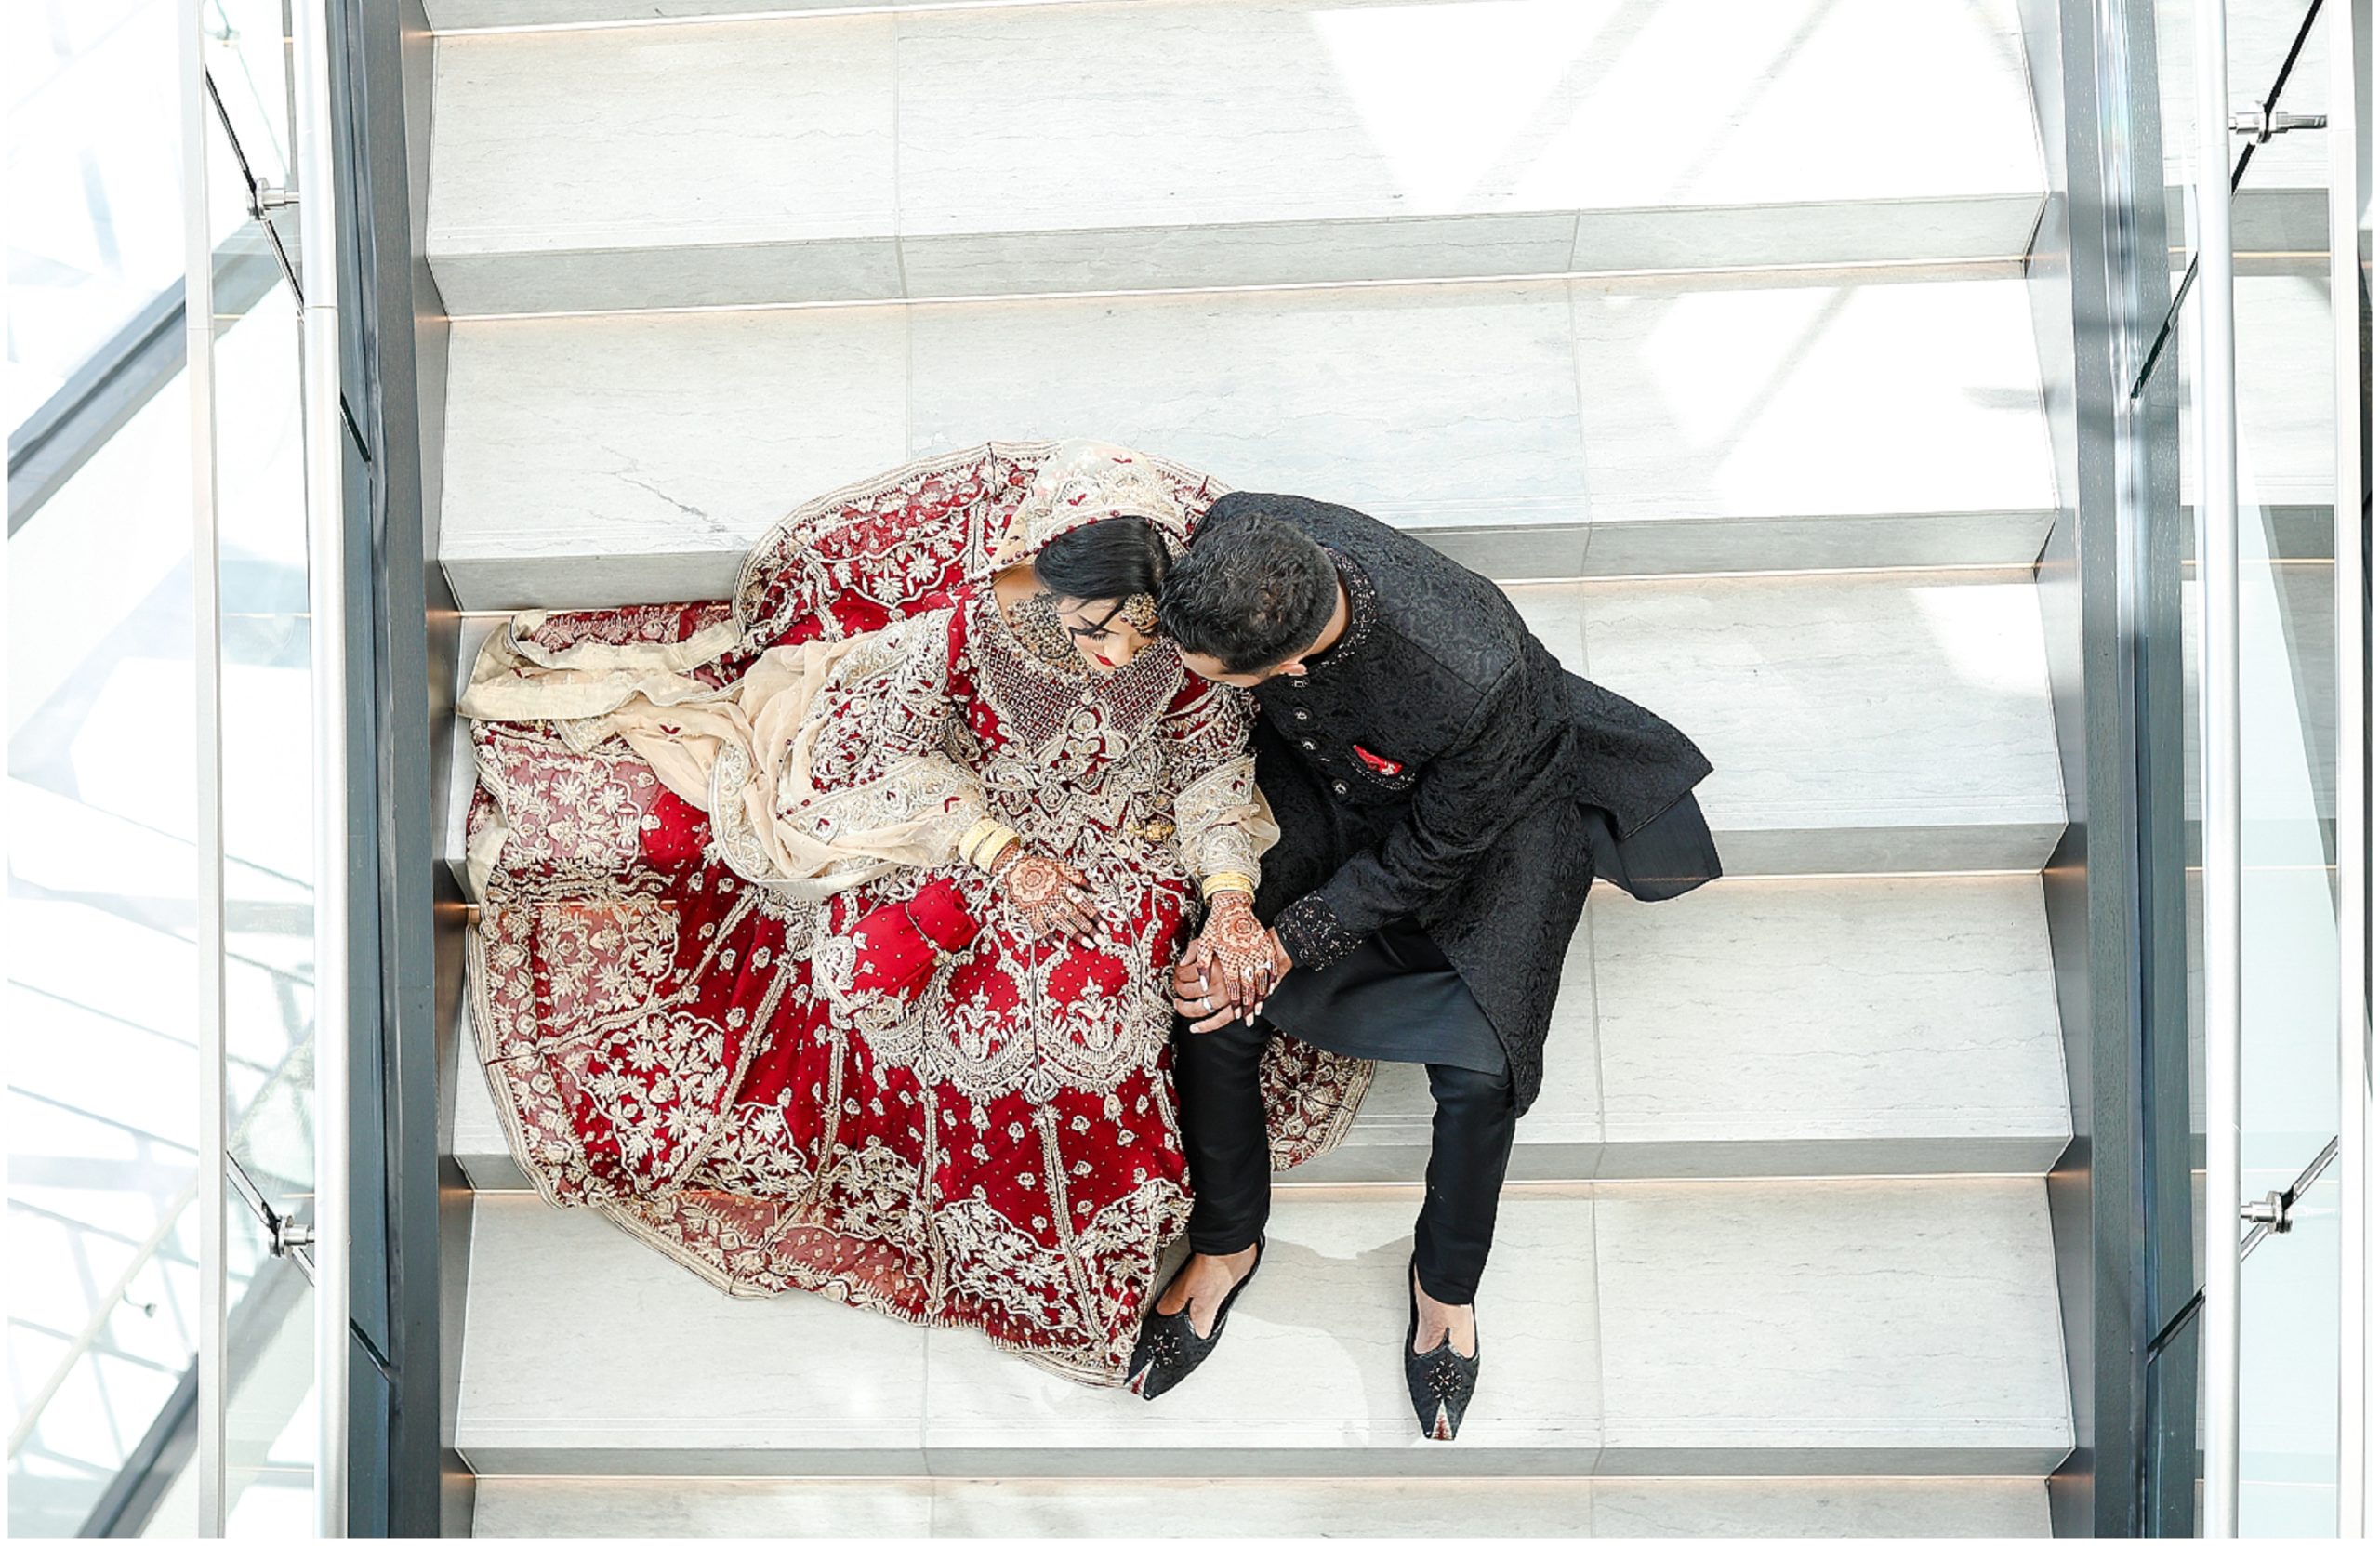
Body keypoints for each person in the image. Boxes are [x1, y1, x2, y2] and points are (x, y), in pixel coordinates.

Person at [456, 442, 1368, 1385]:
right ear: (1045, 580)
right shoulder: (969, 636)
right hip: (968, 840)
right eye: (1096, 626)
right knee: (968, 1017)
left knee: (1100, 1016)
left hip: (1123, 846)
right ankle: (1000, 1241)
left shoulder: (1174, 648)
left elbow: (1209, 774)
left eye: (1136, 633)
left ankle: (1118, 1247)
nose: (1115, 654)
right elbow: (868, 757)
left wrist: (1225, 898)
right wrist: (995, 853)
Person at [1128, 494, 1720, 1435]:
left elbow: (1435, 852)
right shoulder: (1244, 526)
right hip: (1323, 788)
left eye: (1217, 678)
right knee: (1213, 996)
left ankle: (1445, 1284)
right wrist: (1239, 924)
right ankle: (1228, 1241)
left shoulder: (1472, 673)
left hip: (1488, 831)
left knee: (1485, 1071)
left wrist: (1290, 941)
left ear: (1281, 665)